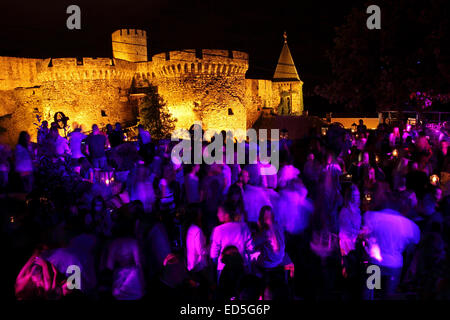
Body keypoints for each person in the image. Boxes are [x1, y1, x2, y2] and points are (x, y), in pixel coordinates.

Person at [210, 203, 255, 280]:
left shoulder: (218, 230)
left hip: (224, 268)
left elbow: (213, 254)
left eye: (219, 212)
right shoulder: (243, 226)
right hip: (241, 265)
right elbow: (251, 248)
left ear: (226, 214)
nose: (217, 215)